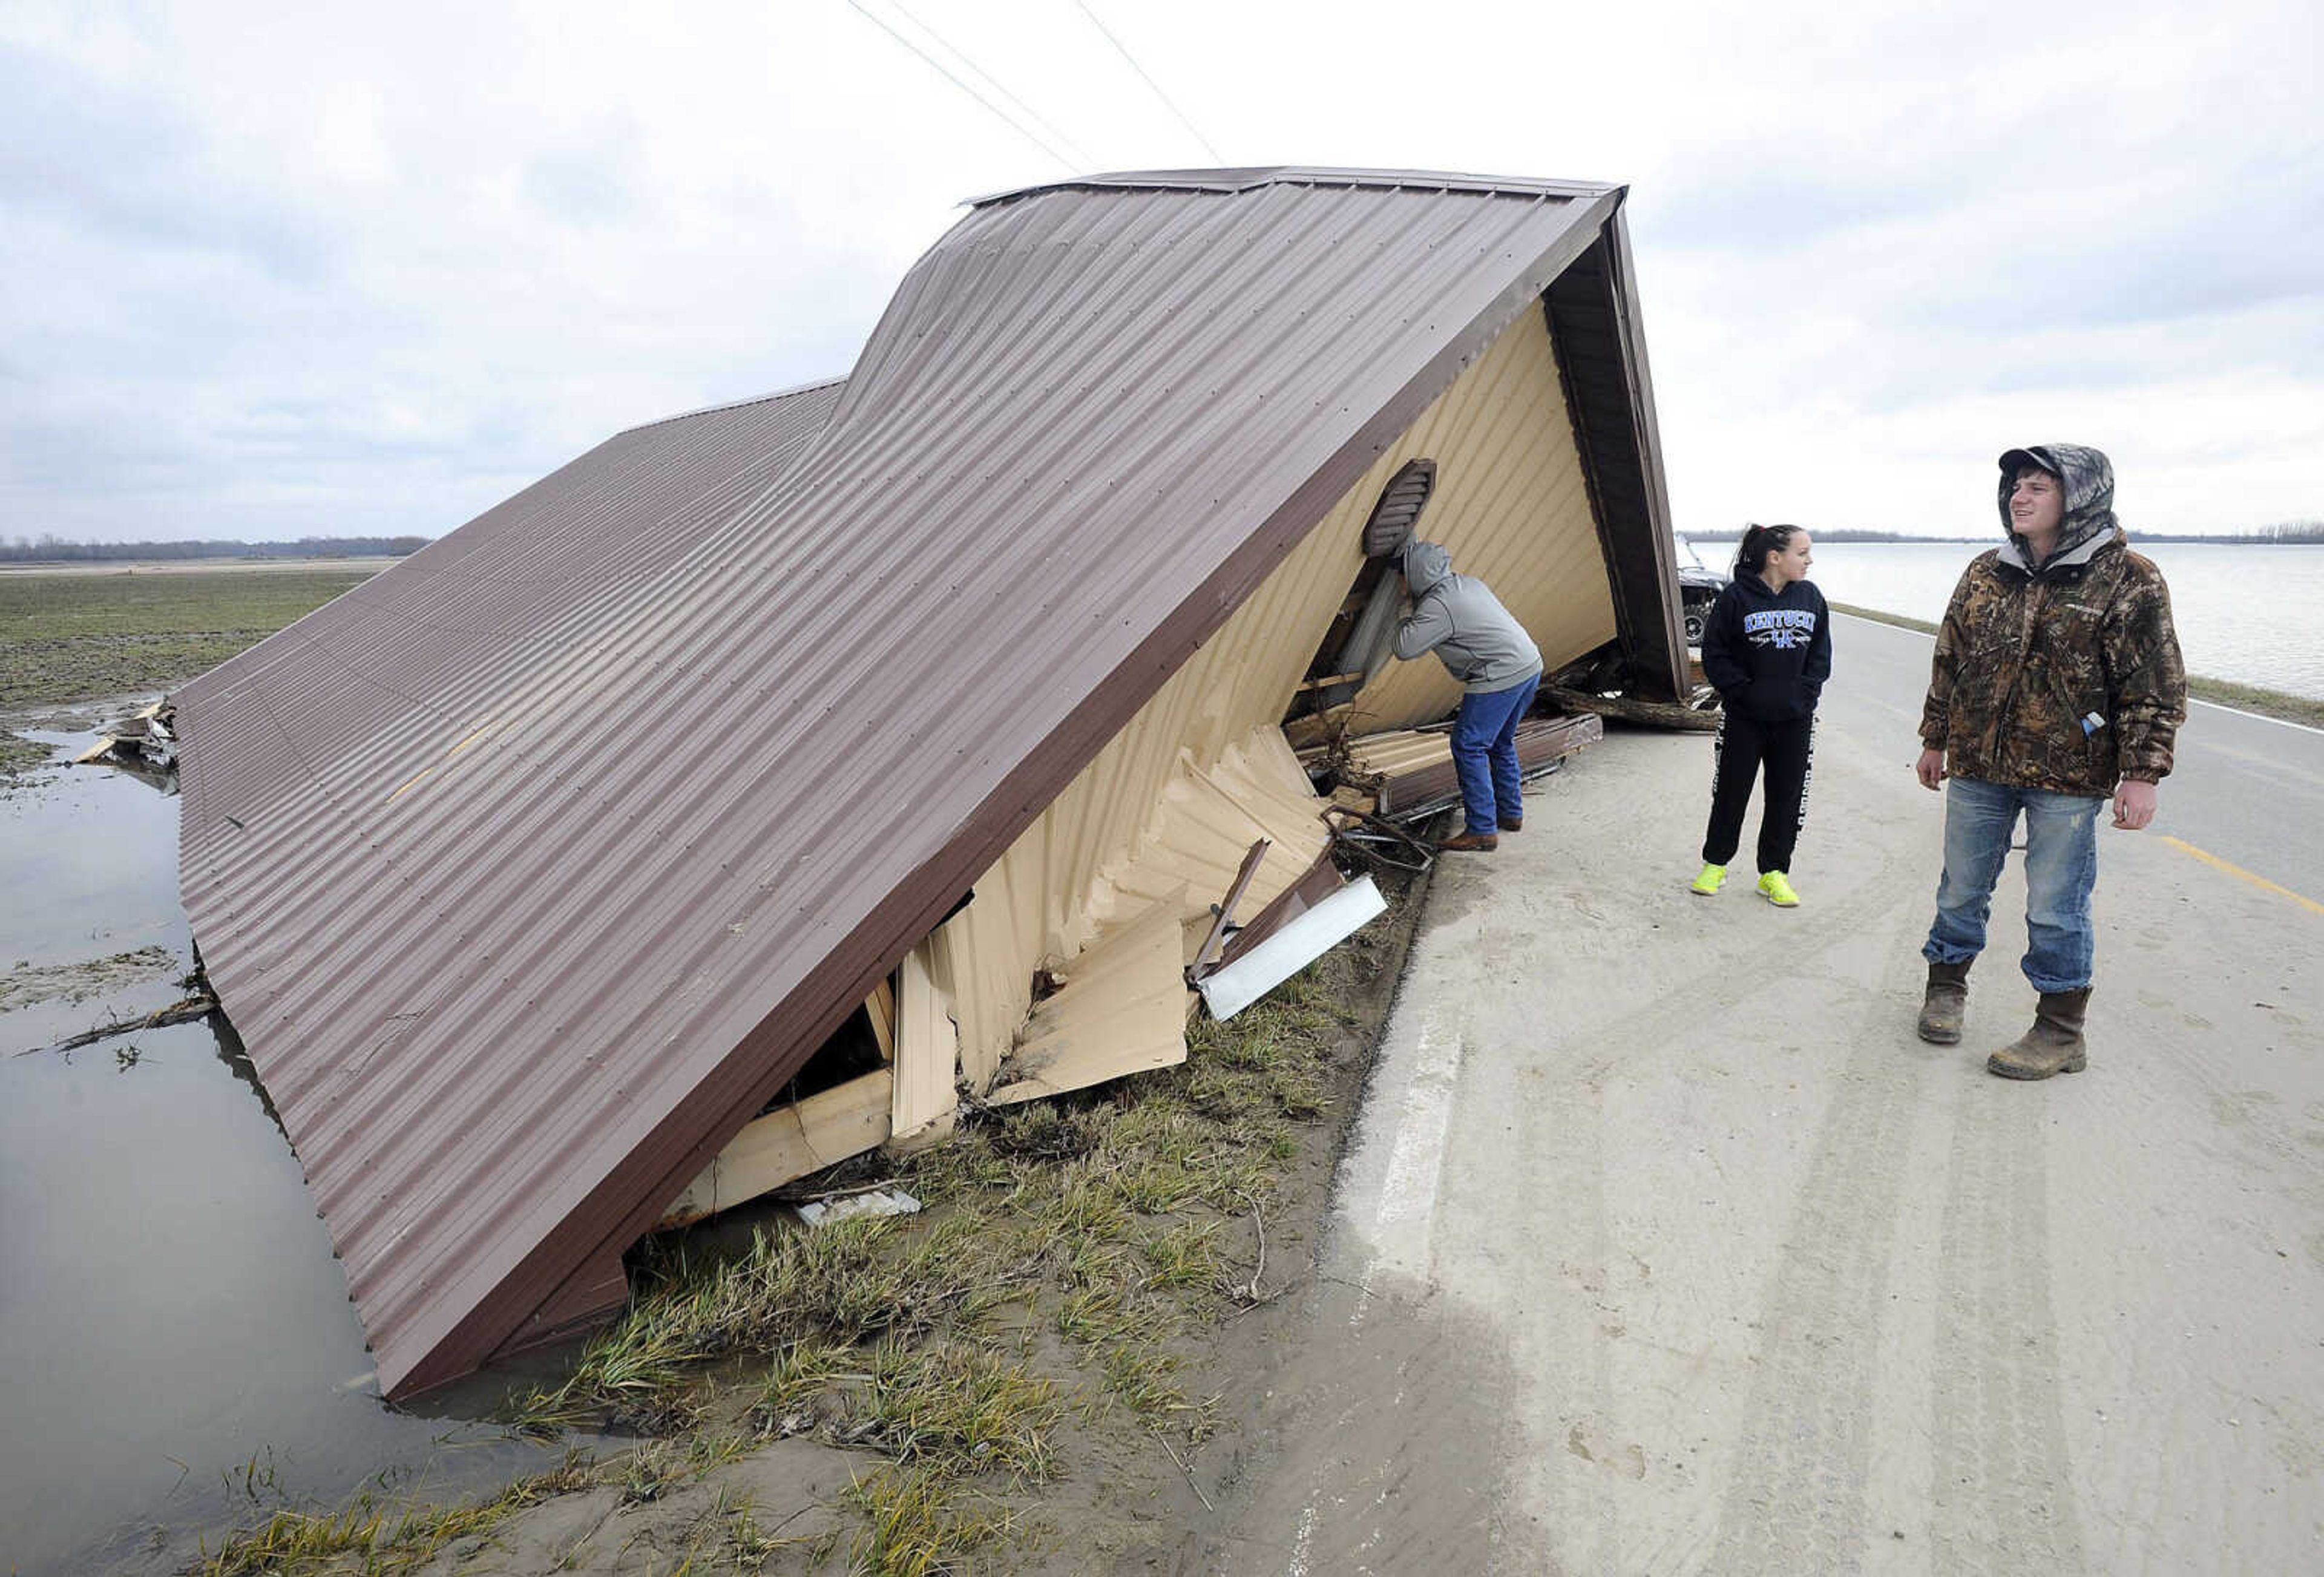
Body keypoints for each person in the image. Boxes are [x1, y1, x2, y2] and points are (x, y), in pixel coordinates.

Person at [1914, 443, 2185, 1080]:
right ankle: (1946, 990)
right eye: (2016, 485)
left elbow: (2155, 683)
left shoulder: (2129, 576)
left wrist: (2142, 774)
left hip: (2070, 775)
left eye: (2039, 486)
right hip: (1980, 763)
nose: (2021, 496)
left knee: (2056, 906)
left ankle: (2061, 1029)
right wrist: (1935, 738)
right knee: (1961, 888)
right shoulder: (1987, 571)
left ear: (2080, 496)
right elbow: (1949, 658)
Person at [1690, 523, 1831, 905]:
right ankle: (1715, 864)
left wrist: (1804, 697)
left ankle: (1774, 873)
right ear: (1775, 557)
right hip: (1745, 718)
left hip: (1795, 720)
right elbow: (1715, 653)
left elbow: (1820, 657)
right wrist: (1744, 692)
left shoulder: (1811, 597)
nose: (1809, 560)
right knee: (1732, 792)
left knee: (1786, 796)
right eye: (1802, 553)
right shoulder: (1736, 598)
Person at [1392, 539, 1543, 851]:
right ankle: (1511, 814)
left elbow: (1404, 648)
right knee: (1500, 741)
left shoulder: (1439, 604)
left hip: (1500, 674)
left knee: (1468, 744)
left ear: (1417, 575)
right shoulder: (1468, 584)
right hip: (1529, 665)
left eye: (1402, 575)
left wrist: (1403, 610)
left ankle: (1482, 830)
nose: (1399, 581)